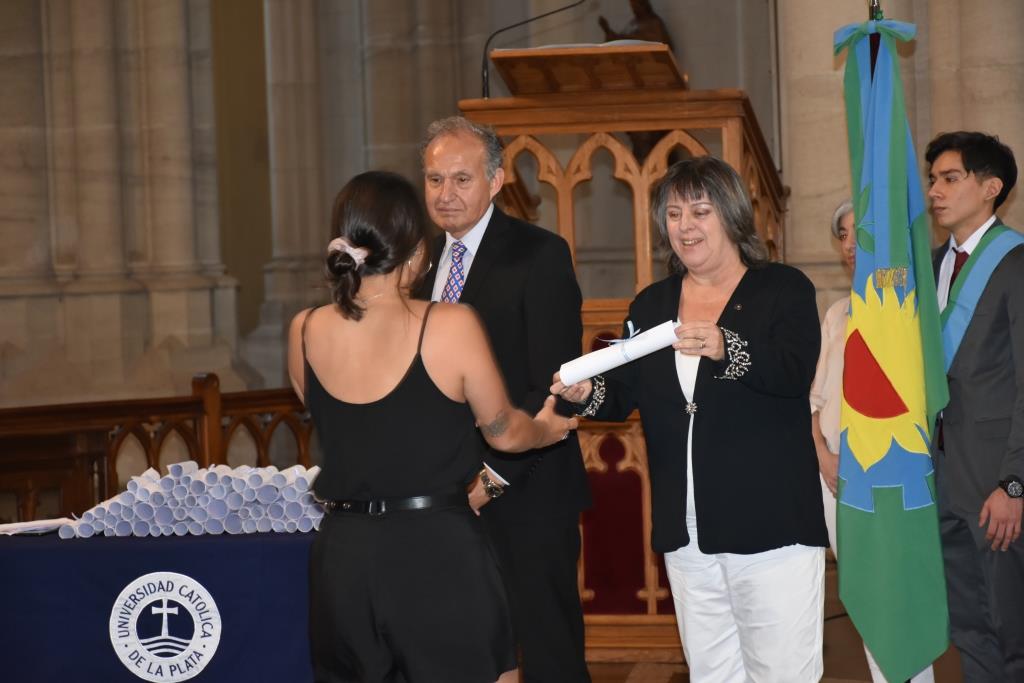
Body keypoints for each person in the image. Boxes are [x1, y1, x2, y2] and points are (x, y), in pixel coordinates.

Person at [287, 170, 578, 683]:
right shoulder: (448, 323)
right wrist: (547, 430)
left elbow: (339, 419)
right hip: (436, 553)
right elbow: (505, 431)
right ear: (418, 251)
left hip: (343, 558)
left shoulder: (305, 329)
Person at [553, 156, 828, 681]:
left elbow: (792, 374)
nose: (684, 226)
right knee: (712, 672)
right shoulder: (653, 303)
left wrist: (730, 347)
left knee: (783, 672)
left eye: (699, 211)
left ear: (730, 216)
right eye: (674, 214)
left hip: (770, 528)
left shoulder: (782, 290)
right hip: (687, 534)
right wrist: (587, 392)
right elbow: (624, 394)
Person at [414, 116, 591, 682]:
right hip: (441, 499)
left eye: (462, 179)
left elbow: (553, 386)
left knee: (547, 655)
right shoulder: (415, 268)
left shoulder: (538, 254)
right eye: (435, 179)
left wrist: (488, 481)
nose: (447, 194)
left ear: (495, 181)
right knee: (463, 654)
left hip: (527, 491)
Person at [810, 199, 935, 683]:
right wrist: (823, 458)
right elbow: (816, 399)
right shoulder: (837, 312)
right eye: (841, 235)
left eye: (856, 233)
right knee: (863, 594)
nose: (847, 245)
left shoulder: (910, 307)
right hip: (835, 475)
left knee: (900, 595)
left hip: (892, 470)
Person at [925, 130, 1024, 681]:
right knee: (967, 628)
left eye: (950, 178)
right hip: (939, 477)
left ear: (990, 187)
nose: (936, 191)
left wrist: (1015, 483)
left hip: (995, 485)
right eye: (933, 179)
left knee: (1010, 630)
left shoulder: (1015, 263)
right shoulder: (931, 264)